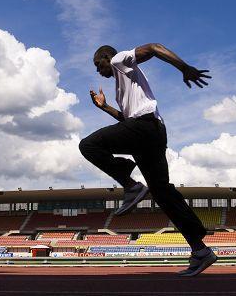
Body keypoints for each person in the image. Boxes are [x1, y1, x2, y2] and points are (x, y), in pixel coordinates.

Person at [79, 43, 216, 276]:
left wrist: (183, 67)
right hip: (149, 133)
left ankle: (131, 186)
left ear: (105, 57)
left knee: (88, 145)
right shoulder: (124, 85)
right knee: (162, 193)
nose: (97, 70)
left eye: (96, 64)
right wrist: (105, 108)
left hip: (145, 128)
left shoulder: (118, 61)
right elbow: (126, 119)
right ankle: (200, 250)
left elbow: (152, 47)